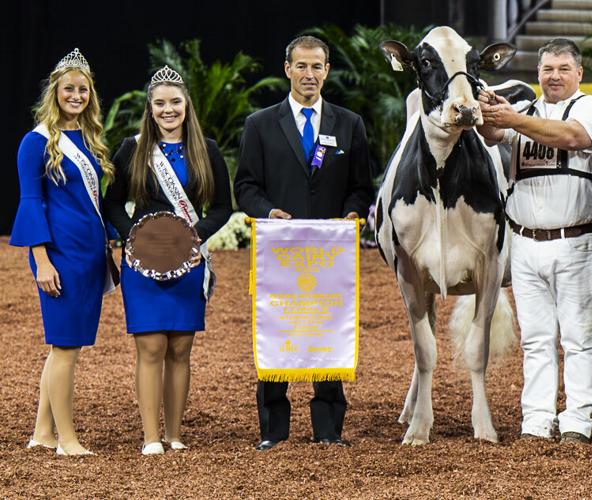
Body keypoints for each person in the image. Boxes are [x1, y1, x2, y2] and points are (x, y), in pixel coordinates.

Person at [235, 35, 378, 451]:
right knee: (277, 332)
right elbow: (244, 186)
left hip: (329, 256)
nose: (309, 74)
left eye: (317, 66)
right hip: (278, 255)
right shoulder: (259, 124)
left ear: (327, 70)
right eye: (301, 66)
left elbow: (361, 187)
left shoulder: (349, 124)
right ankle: (273, 431)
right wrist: (267, 212)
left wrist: (352, 212)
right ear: (287, 69)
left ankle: (329, 428)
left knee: (327, 333)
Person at [479, 38, 592, 444]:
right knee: (536, 338)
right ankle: (537, 420)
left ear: (579, 73)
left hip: (576, 241)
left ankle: (577, 420)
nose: (554, 76)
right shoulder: (524, 111)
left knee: (578, 336)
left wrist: (510, 119)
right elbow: (489, 134)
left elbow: (571, 137)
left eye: (562, 69)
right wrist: (485, 107)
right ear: (537, 74)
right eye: (546, 69)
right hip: (524, 241)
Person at [104, 66, 233, 455]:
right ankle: (149, 437)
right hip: (143, 263)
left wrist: (195, 236)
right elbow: (111, 202)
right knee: (150, 348)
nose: (167, 109)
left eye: (174, 102)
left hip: (187, 262)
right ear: (150, 107)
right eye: (159, 103)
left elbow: (224, 206)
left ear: (186, 104)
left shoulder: (206, 149)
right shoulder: (133, 148)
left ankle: (174, 433)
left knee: (180, 348)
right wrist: (134, 236)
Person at [13, 48, 115, 457]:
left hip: (88, 253)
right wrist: (40, 261)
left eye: (83, 90)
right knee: (66, 347)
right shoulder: (34, 142)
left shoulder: (88, 138)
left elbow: (89, 200)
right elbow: (30, 203)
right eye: (69, 89)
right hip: (59, 254)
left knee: (65, 346)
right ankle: (66, 439)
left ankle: (42, 432)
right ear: (54, 92)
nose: (76, 96)